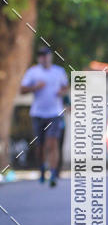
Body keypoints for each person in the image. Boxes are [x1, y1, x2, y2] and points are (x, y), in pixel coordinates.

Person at [20, 46, 69, 187]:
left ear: (50, 56)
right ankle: (42, 169)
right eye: (41, 55)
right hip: (38, 114)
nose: (44, 58)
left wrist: (63, 94)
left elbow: (65, 88)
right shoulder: (32, 72)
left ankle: (53, 172)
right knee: (40, 146)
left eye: (46, 55)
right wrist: (35, 87)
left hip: (55, 113)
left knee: (52, 143)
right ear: (38, 58)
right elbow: (22, 90)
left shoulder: (59, 72)